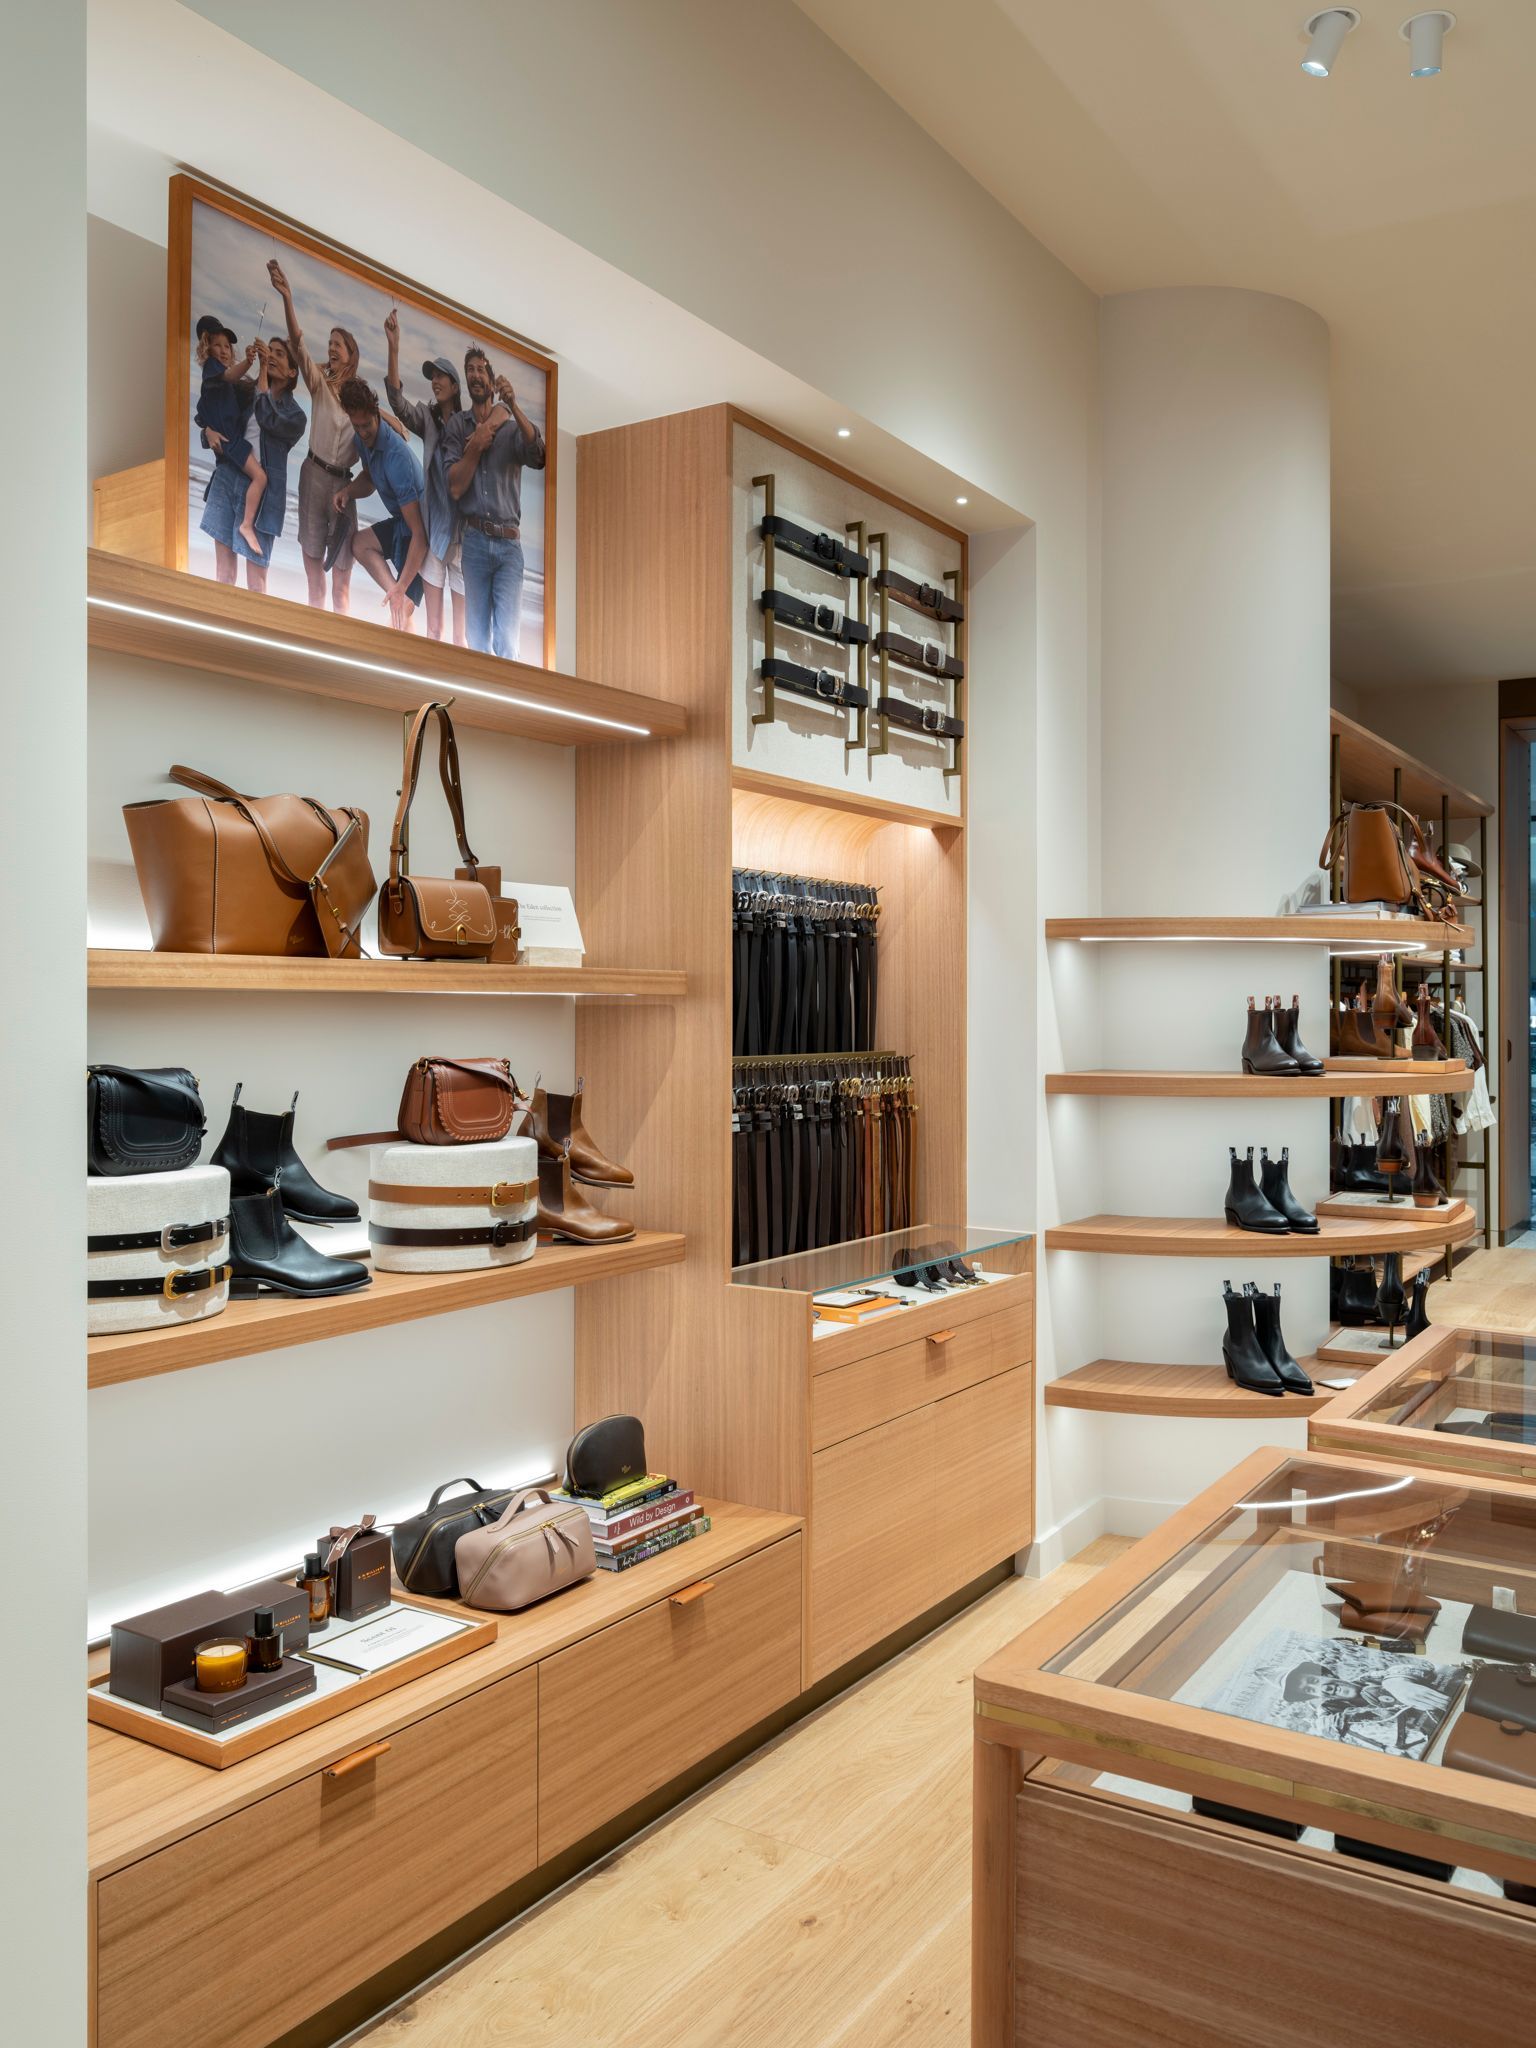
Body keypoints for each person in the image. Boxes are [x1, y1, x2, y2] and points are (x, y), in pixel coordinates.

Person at [266, 258, 362, 613]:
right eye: (330, 343)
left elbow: (372, 427)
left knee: (341, 587)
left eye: (339, 344)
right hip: (313, 476)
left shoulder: (362, 402)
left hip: (344, 488)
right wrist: (287, 297)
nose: (332, 347)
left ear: (351, 356)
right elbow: (297, 343)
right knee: (314, 583)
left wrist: (390, 419)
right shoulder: (319, 384)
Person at [443, 346, 545, 659]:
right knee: (476, 640)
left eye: (480, 370)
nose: (475, 375)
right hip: (473, 543)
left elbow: (538, 455)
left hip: (508, 547)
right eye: (469, 370)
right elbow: (455, 488)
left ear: (490, 381)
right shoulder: (457, 427)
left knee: (508, 644)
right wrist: (477, 444)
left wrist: (512, 405)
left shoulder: (513, 427)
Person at [384, 311, 466, 645]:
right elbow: (397, 402)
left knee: (461, 635)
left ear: (455, 385)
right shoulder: (428, 420)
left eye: (441, 375)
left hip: (462, 539)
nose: (435, 380)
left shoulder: (468, 425)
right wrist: (394, 347)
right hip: (434, 535)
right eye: (432, 376)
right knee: (434, 630)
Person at [333, 377, 428, 632]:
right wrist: (348, 491)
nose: (363, 433)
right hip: (402, 523)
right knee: (359, 543)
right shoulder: (361, 440)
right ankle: (396, 595)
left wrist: (403, 586)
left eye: (367, 426)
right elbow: (370, 479)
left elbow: (420, 534)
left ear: (377, 414)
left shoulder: (398, 458)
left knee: (400, 619)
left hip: (423, 531)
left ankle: (400, 598)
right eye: (357, 426)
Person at [193, 314, 267, 565]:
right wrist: (248, 361)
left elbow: (258, 393)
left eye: (227, 346)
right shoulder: (213, 373)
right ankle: (247, 524)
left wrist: (263, 365)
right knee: (261, 476)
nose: (224, 351)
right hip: (231, 445)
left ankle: (246, 524)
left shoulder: (229, 386)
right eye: (218, 345)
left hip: (231, 445)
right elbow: (230, 376)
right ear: (206, 347)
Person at [238, 336, 306, 595]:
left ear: (292, 372)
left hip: (266, 499)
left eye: (280, 354)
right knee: (226, 573)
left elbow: (267, 416)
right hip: (237, 482)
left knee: (256, 580)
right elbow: (223, 418)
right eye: (271, 351)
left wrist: (263, 373)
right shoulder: (249, 391)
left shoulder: (296, 416)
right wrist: (207, 432)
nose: (273, 356)